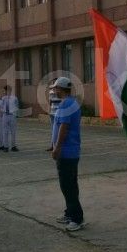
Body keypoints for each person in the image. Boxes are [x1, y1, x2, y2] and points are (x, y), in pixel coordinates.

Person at [50, 77, 84, 232]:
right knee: (70, 184)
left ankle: (77, 219)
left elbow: (64, 127)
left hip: (66, 151)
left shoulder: (65, 104)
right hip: (71, 150)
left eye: (55, 88)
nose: (54, 91)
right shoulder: (72, 102)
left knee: (67, 185)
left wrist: (57, 148)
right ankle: (69, 213)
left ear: (61, 89)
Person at [0, 85, 19, 152]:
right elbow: (1, 107)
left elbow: (17, 107)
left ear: (10, 90)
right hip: (5, 115)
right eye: (4, 90)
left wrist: (14, 113)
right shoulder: (3, 98)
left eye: (6, 90)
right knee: (5, 132)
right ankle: (6, 146)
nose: (5, 92)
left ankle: (13, 146)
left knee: (13, 132)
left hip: (12, 115)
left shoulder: (14, 98)